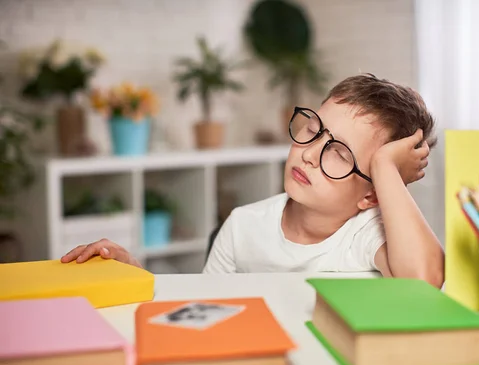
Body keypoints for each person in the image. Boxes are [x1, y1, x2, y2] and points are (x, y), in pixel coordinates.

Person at [61, 73, 444, 288]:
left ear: (371, 196)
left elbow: (425, 283)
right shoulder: (243, 225)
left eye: (340, 153)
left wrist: (386, 170)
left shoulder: (367, 235)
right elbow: (203, 308)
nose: (309, 152)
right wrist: (135, 275)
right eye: (313, 129)